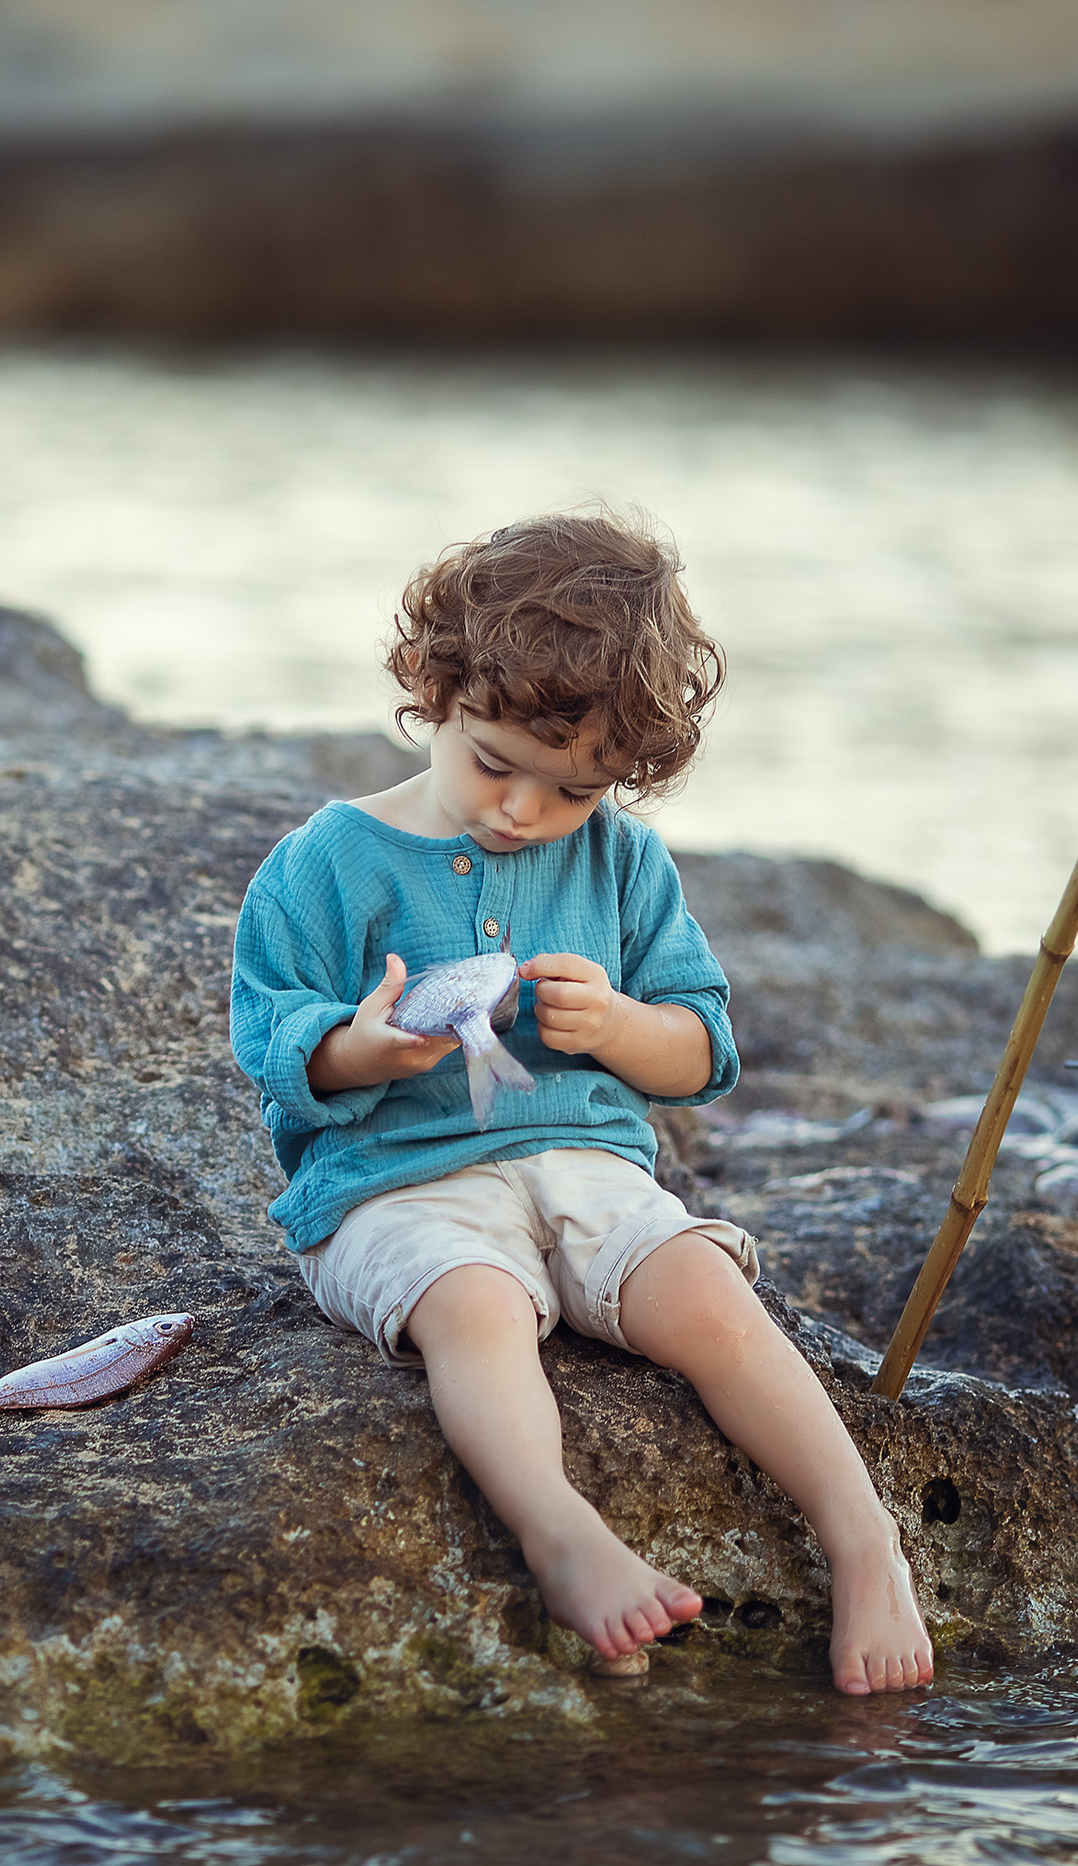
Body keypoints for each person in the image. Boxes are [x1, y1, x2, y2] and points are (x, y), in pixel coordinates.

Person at [230, 511, 934, 1694]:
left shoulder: (619, 863)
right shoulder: (324, 862)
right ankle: (559, 1534)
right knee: (474, 1310)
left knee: (709, 1294)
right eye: (494, 763)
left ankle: (866, 1543)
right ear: (432, 685)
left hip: (587, 1165)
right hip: (397, 1185)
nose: (520, 812)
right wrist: (357, 1048)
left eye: (568, 790)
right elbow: (273, 1043)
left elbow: (700, 1049)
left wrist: (616, 1027)